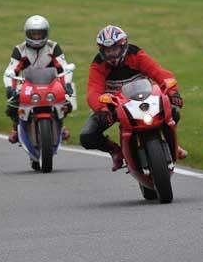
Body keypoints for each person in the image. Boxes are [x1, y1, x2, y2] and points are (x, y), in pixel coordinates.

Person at [80, 25, 187, 171]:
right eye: (107, 51)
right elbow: (93, 92)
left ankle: (173, 145)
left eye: (114, 49)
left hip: (143, 99)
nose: (111, 54)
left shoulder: (136, 54)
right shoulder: (98, 64)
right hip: (114, 105)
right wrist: (103, 109)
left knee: (172, 113)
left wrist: (173, 92)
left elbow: (159, 73)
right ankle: (116, 152)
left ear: (123, 46)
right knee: (87, 136)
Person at [3, 15, 75, 144]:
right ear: (27, 33)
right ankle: (16, 128)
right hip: (27, 84)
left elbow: (64, 67)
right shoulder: (20, 50)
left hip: (52, 83)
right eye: (33, 34)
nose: (37, 37)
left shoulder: (53, 47)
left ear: (46, 33)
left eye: (40, 34)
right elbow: (11, 70)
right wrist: (10, 87)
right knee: (12, 105)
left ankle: (60, 125)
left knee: (67, 103)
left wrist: (67, 84)